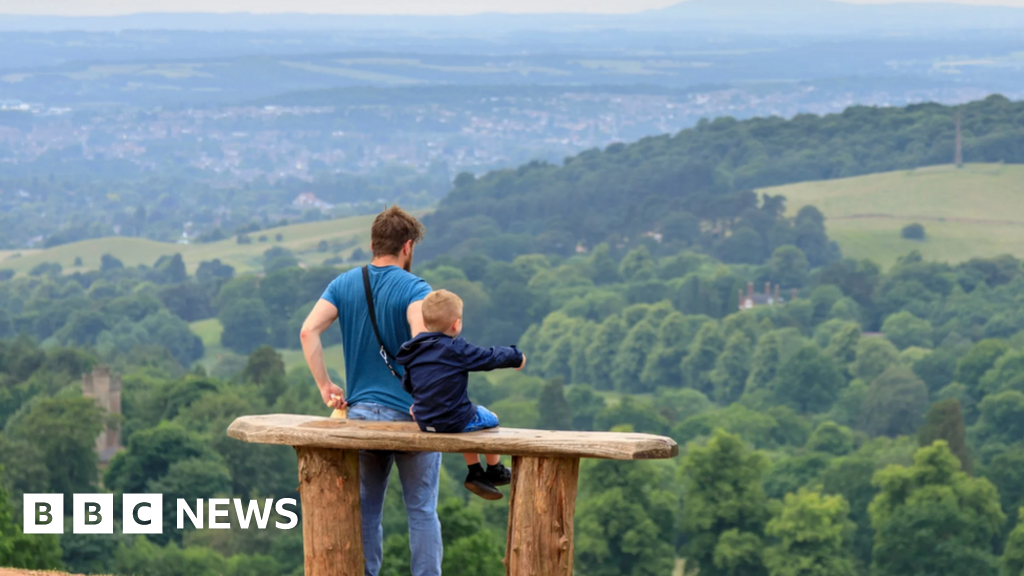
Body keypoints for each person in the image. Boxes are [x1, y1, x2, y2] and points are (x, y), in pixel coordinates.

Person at [299, 206, 441, 576]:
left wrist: (325, 385)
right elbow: (422, 340)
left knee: (365, 510)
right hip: (412, 419)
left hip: (362, 418)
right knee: (422, 511)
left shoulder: (344, 284)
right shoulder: (415, 288)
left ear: (373, 244)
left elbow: (308, 331)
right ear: (407, 246)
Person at [396, 289, 527, 500]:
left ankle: (475, 471)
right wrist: (515, 356)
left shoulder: (413, 350)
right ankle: (494, 469)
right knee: (490, 418)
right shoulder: (455, 349)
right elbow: (488, 358)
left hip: (425, 420)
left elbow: (409, 384)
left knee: (467, 414)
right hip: (453, 419)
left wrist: (419, 402)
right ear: (456, 324)